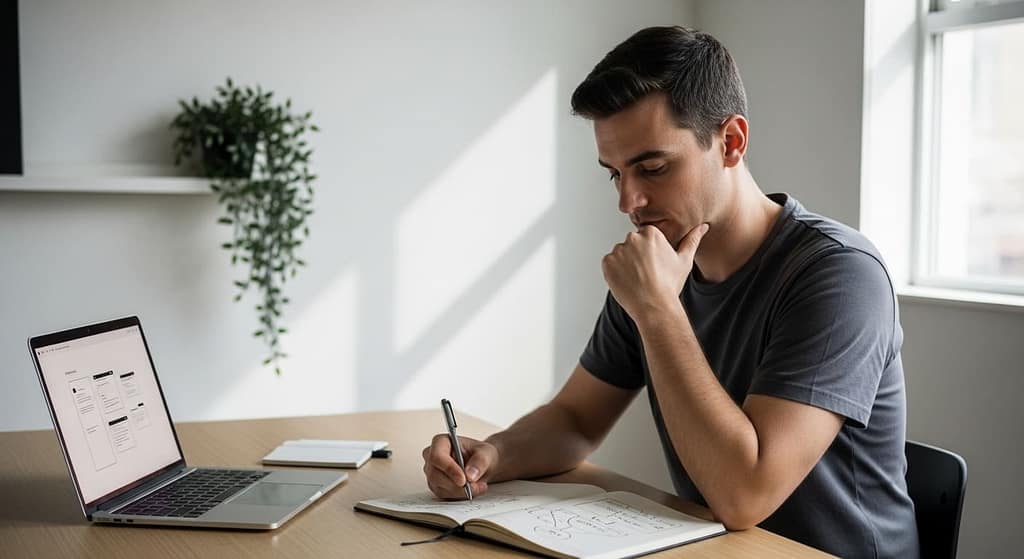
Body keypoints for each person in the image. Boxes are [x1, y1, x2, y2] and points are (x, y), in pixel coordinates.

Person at [421, 26, 918, 559]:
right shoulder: (656, 266)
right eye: (614, 174)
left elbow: (743, 495)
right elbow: (575, 419)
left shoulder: (840, 275)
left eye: (653, 168)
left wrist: (656, 309)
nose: (629, 201)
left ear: (730, 142)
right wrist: (492, 456)